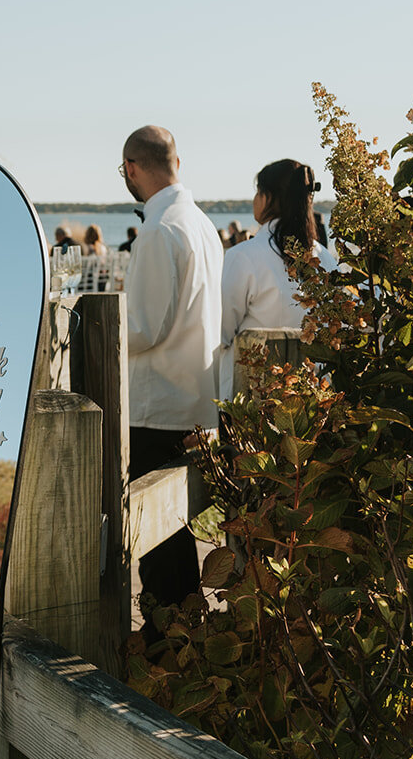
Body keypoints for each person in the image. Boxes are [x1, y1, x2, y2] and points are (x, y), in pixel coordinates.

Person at [118, 124, 224, 636]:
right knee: (175, 533)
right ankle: (188, 643)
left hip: (156, 402)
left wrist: (96, 323)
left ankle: (166, 648)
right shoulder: (202, 224)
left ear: (133, 168)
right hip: (194, 397)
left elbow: (143, 328)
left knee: (155, 542)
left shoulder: (160, 231)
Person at [219, 159, 337, 399]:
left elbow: (220, 332)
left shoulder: (243, 257)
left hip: (252, 400)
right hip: (316, 400)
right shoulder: (325, 259)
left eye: (257, 192)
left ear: (268, 197)